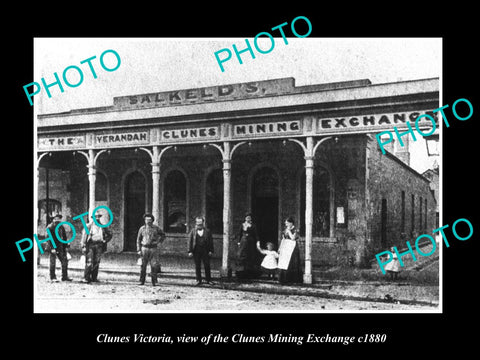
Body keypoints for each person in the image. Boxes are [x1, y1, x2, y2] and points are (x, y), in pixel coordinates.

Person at [80, 212, 112, 283]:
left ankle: (94, 278)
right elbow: (84, 237)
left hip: (99, 246)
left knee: (96, 262)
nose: (97, 218)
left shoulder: (103, 226)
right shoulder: (88, 226)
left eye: (98, 217)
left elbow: (110, 234)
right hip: (90, 245)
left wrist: (105, 240)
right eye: (95, 217)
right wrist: (83, 246)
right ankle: (87, 278)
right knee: (89, 261)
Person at [136, 213, 166, 286]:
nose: (148, 221)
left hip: (153, 248)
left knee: (154, 265)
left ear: (152, 220)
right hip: (144, 248)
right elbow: (138, 239)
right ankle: (142, 280)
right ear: (145, 220)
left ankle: (154, 281)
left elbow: (163, 235)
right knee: (143, 265)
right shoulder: (142, 228)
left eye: (150, 220)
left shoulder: (156, 228)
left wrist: (159, 242)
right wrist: (138, 249)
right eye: (146, 220)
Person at [187, 216, 214, 286]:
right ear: (196, 223)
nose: (199, 224)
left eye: (200, 222)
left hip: (205, 250)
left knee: (207, 265)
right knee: (197, 265)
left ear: (203, 223)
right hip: (196, 250)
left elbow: (211, 242)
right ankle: (198, 280)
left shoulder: (207, 231)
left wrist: (211, 250)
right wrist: (190, 251)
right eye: (198, 222)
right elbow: (190, 241)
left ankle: (208, 280)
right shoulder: (193, 231)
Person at [47, 214, 72, 282]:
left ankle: (64, 276)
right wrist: (52, 248)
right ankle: (52, 277)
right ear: (53, 219)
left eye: (59, 218)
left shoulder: (61, 227)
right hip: (53, 247)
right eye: (56, 218)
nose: (57, 220)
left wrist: (66, 246)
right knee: (52, 262)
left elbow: (64, 237)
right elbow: (49, 239)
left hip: (60, 247)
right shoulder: (50, 227)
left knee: (64, 261)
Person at [278, 217, 303, 284]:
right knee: (284, 262)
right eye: (286, 223)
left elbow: (293, 238)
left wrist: (289, 231)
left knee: (291, 262)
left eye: (287, 223)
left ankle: (292, 280)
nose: (286, 225)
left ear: (291, 223)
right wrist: (280, 247)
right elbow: (283, 239)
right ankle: (284, 279)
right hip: (286, 246)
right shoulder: (285, 230)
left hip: (292, 246)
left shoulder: (295, 230)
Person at [236, 213, 261, 279]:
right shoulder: (242, 225)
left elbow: (256, 235)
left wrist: (258, 241)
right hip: (243, 242)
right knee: (242, 256)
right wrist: (239, 242)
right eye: (247, 217)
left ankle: (249, 273)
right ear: (245, 218)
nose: (248, 219)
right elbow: (239, 234)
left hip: (250, 242)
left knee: (249, 256)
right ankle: (241, 273)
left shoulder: (253, 226)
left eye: (249, 218)